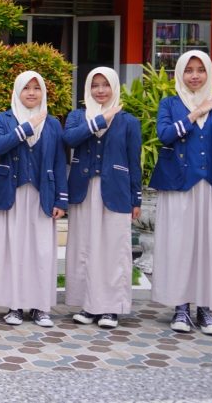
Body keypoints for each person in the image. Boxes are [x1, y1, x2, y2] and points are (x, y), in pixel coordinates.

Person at [150, 50, 212, 336]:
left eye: (200, 70)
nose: (194, 76)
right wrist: (195, 113)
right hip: (179, 187)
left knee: (209, 246)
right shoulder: (170, 104)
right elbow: (165, 135)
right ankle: (180, 308)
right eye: (188, 70)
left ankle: (205, 309)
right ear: (180, 73)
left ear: (208, 73)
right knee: (180, 246)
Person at [0, 71, 68, 328]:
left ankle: (41, 307)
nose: (32, 93)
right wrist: (26, 127)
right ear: (17, 91)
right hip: (11, 194)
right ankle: (15, 305)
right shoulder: (3, 119)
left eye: (37, 88)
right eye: (26, 88)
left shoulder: (52, 123)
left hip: (42, 195)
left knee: (41, 251)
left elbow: (60, 161)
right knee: (13, 250)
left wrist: (61, 200)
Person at [63, 67, 142, 329]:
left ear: (114, 87)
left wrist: (136, 198)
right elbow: (69, 139)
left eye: (105, 85)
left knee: (113, 250)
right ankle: (88, 305)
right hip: (83, 190)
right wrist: (99, 120)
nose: (100, 90)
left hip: (115, 191)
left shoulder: (128, 121)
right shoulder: (77, 116)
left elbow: (133, 161)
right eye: (95, 85)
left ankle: (110, 308)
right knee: (84, 248)